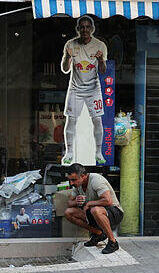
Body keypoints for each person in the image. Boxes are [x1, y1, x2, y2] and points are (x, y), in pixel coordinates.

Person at [60, 15, 108, 165]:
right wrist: (68, 56)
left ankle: (98, 152)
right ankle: (69, 152)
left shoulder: (100, 45)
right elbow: (65, 69)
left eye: (88, 27)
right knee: (71, 120)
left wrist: (100, 60)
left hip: (93, 88)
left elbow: (103, 71)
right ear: (78, 29)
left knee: (97, 120)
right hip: (75, 88)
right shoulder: (70, 44)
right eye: (82, 27)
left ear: (92, 29)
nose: (85, 30)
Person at [64, 163, 123, 254]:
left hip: (114, 212)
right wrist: (76, 202)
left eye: (74, 180)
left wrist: (89, 203)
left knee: (95, 210)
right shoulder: (78, 185)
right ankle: (98, 233)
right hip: (94, 214)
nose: (71, 183)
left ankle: (113, 242)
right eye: (70, 180)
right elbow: (69, 203)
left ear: (83, 176)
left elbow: (108, 201)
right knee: (69, 212)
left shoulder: (96, 180)